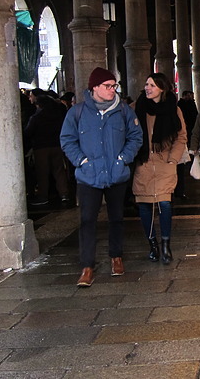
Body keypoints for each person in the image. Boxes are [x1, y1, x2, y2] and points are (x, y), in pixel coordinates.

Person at [60, 67, 143, 287]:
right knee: (87, 220)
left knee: (116, 217)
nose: (112, 90)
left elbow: (136, 136)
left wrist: (123, 158)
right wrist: (81, 161)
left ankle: (116, 256)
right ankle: (87, 266)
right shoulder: (77, 112)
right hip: (89, 175)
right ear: (94, 87)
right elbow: (67, 139)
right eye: (107, 86)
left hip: (116, 173)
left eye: (113, 86)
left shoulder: (124, 111)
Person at [132, 73, 187, 265]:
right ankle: (152, 244)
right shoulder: (136, 108)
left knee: (164, 204)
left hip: (164, 163)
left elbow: (181, 137)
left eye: (152, 85)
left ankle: (165, 245)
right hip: (144, 163)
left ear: (162, 88)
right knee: (145, 205)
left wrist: (172, 160)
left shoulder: (174, 109)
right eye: (146, 84)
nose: (147, 88)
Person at [24, 94, 70, 207]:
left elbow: (28, 132)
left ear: (39, 105)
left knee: (42, 173)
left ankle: (43, 196)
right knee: (59, 171)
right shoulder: (57, 116)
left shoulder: (36, 117)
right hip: (57, 146)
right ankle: (64, 194)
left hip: (41, 148)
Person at [175, 90, 199, 199]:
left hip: (186, 132)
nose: (191, 97)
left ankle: (178, 191)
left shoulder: (182, 106)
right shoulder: (179, 107)